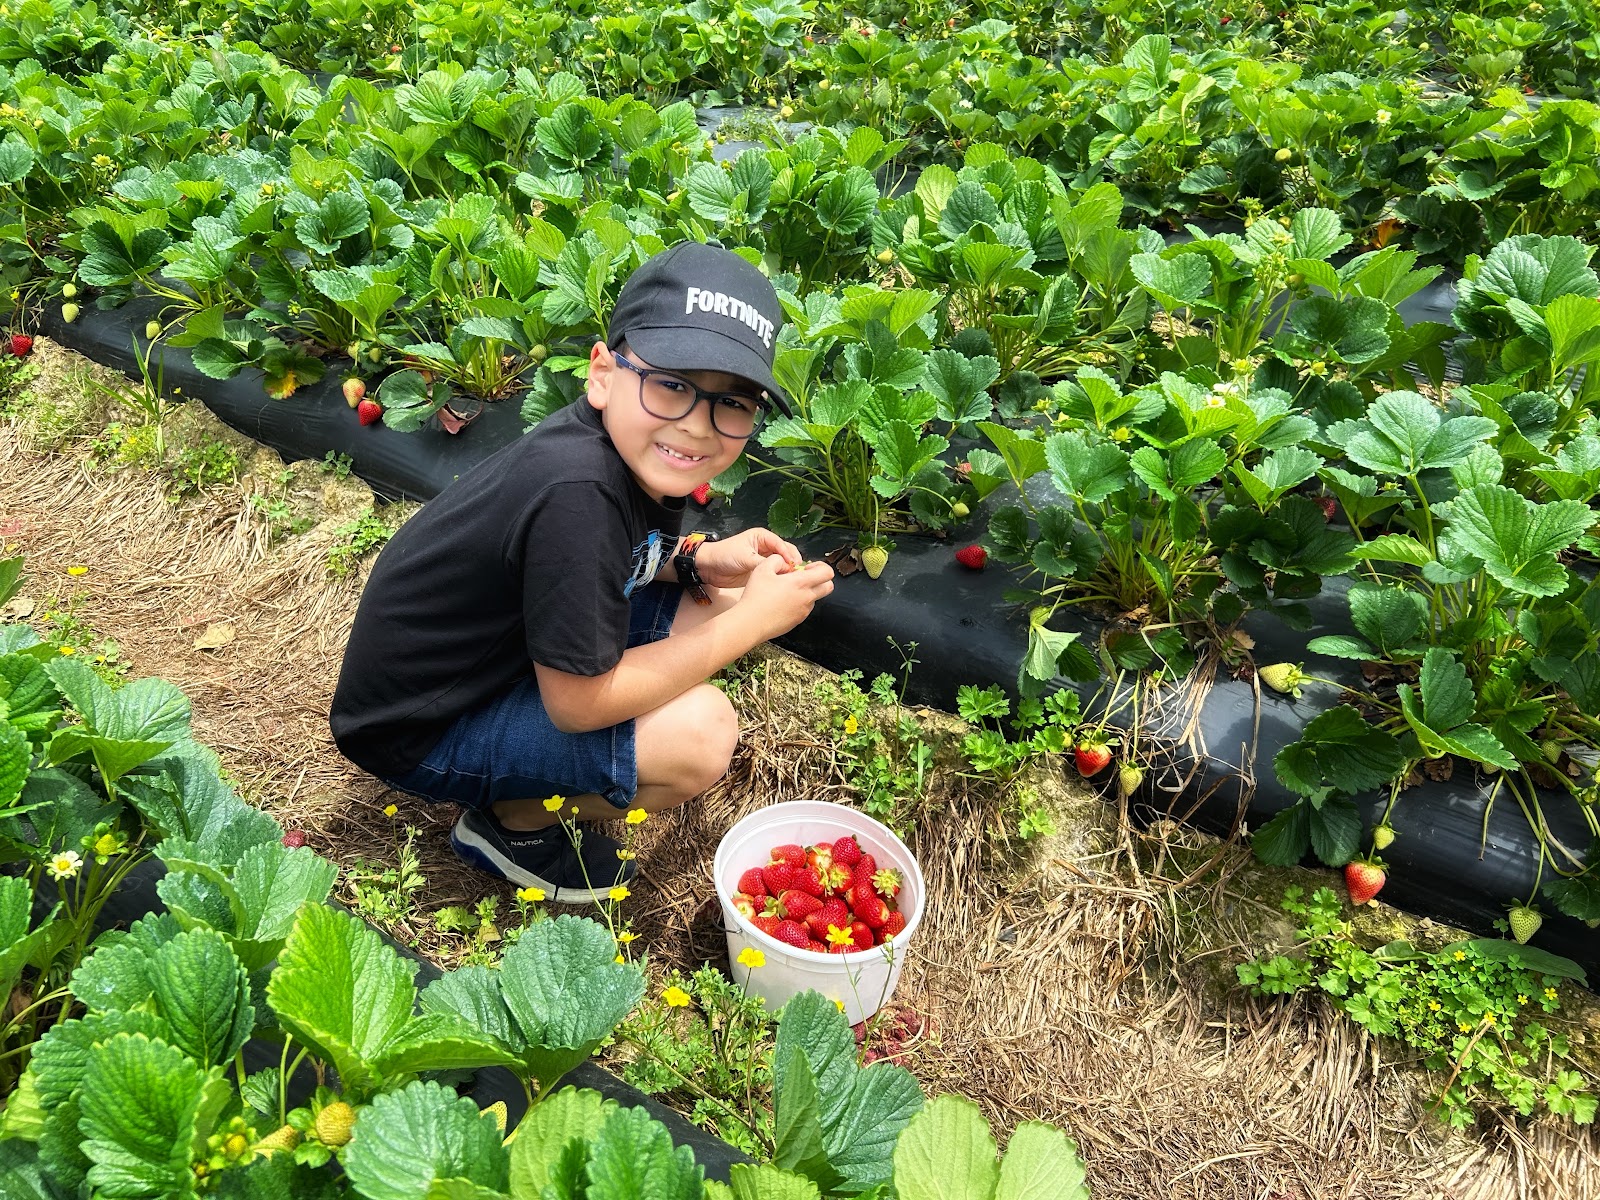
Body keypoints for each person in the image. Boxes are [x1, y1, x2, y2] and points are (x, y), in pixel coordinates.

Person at [329, 242, 835, 900]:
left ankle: (522, 780)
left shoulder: (620, 449)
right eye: (673, 384)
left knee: (721, 591)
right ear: (602, 373)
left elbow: (611, 553)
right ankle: (510, 825)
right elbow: (577, 706)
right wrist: (755, 626)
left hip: (490, 663)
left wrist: (699, 557)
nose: (698, 427)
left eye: (732, 403)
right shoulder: (578, 491)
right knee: (701, 734)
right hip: (419, 729)